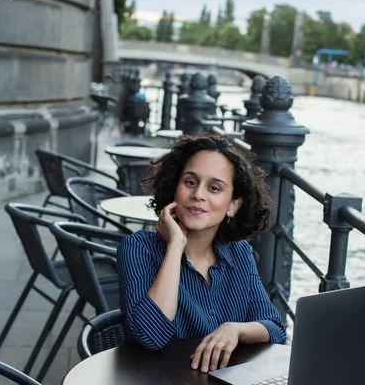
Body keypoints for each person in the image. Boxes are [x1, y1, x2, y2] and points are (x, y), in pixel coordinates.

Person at [117, 134, 286, 374]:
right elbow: (150, 335)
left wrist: (235, 329)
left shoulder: (239, 254)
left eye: (214, 188)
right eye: (190, 182)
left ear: (233, 206)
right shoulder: (138, 248)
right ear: (176, 189)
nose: (199, 194)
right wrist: (175, 247)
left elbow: (275, 328)